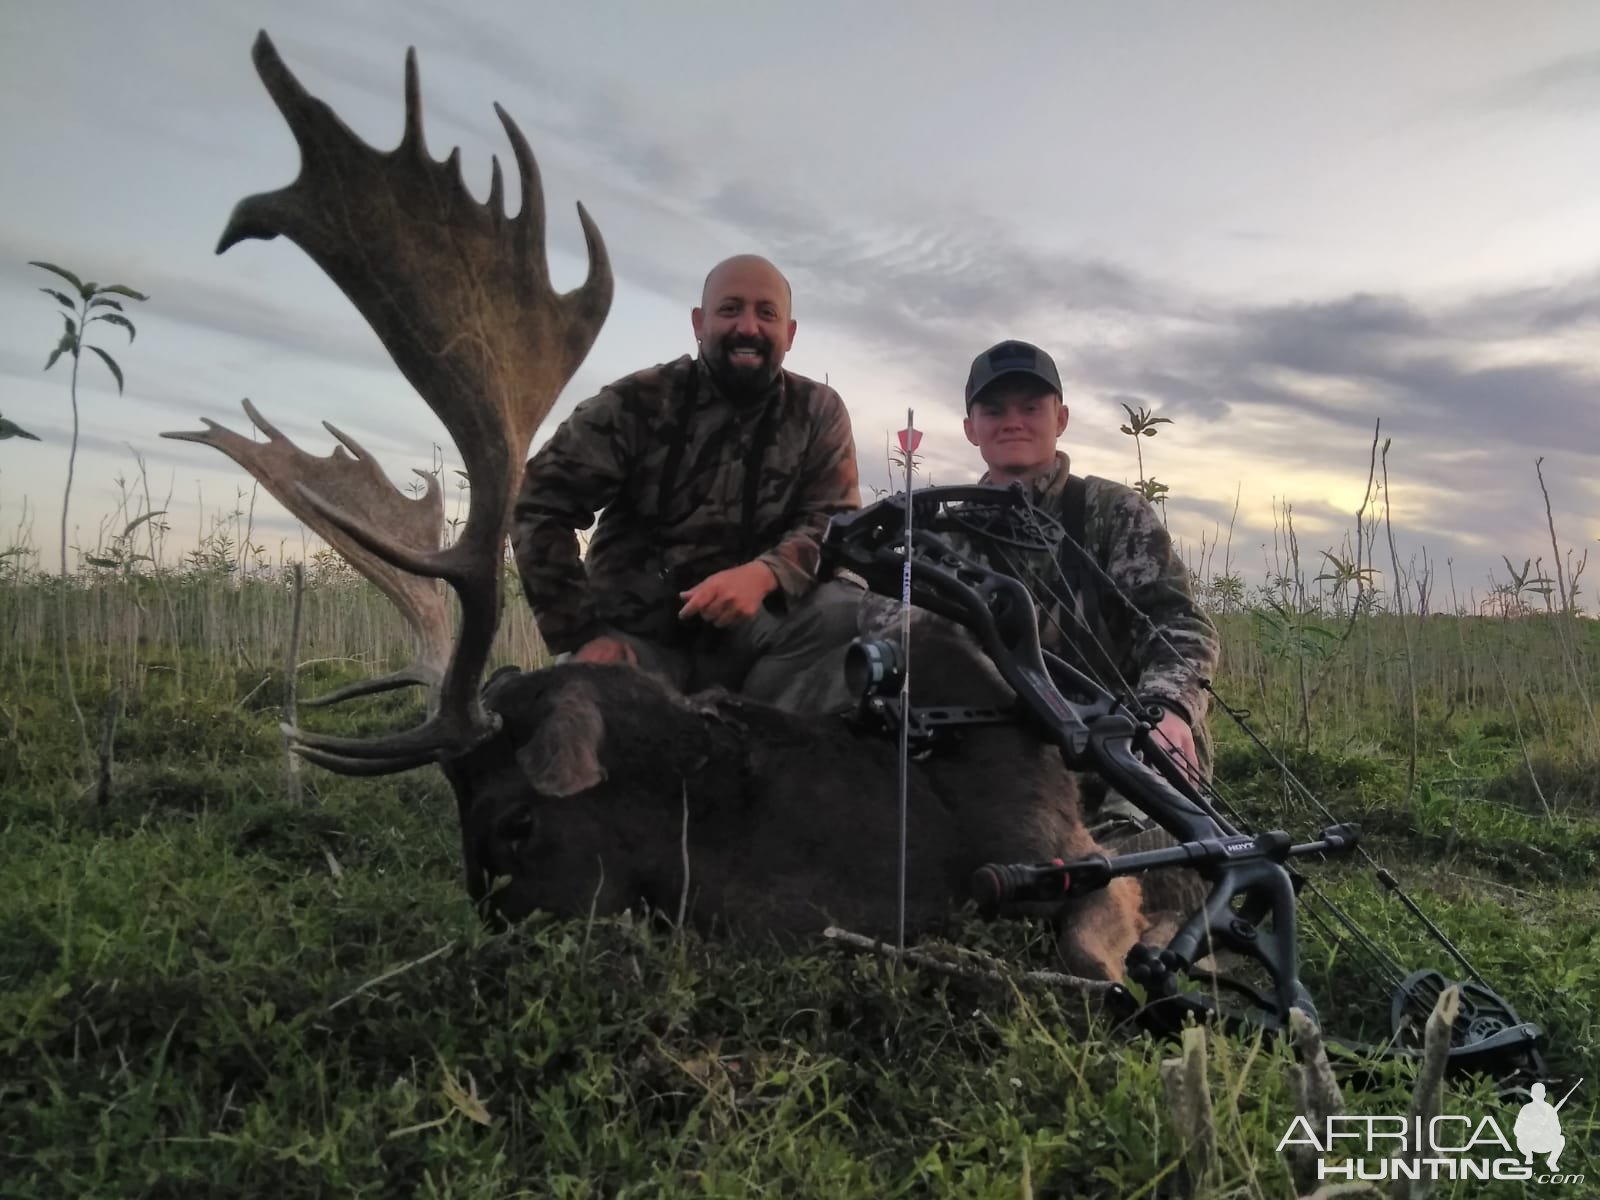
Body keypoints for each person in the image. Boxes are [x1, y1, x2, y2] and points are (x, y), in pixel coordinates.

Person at [510, 254, 864, 709]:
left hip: (758, 641)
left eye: (766, 313)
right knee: (578, 713)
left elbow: (834, 521)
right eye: (730, 309)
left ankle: (757, 732)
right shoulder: (637, 402)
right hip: (640, 642)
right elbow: (538, 503)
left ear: (789, 334)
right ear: (699, 323)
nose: (748, 328)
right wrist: (582, 635)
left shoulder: (819, 411)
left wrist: (764, 574)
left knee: (850, 616)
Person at [955, 338, 1220, 784]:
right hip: (999, 757)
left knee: (1134, 841)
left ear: (1060, 419)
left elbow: (1178, 626)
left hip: (1121, 742)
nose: (1013, 423)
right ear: (971, 429)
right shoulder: (946, 535)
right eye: (995, 410)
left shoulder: (1113, 512)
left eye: (1031, 408)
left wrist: (1168, 709)